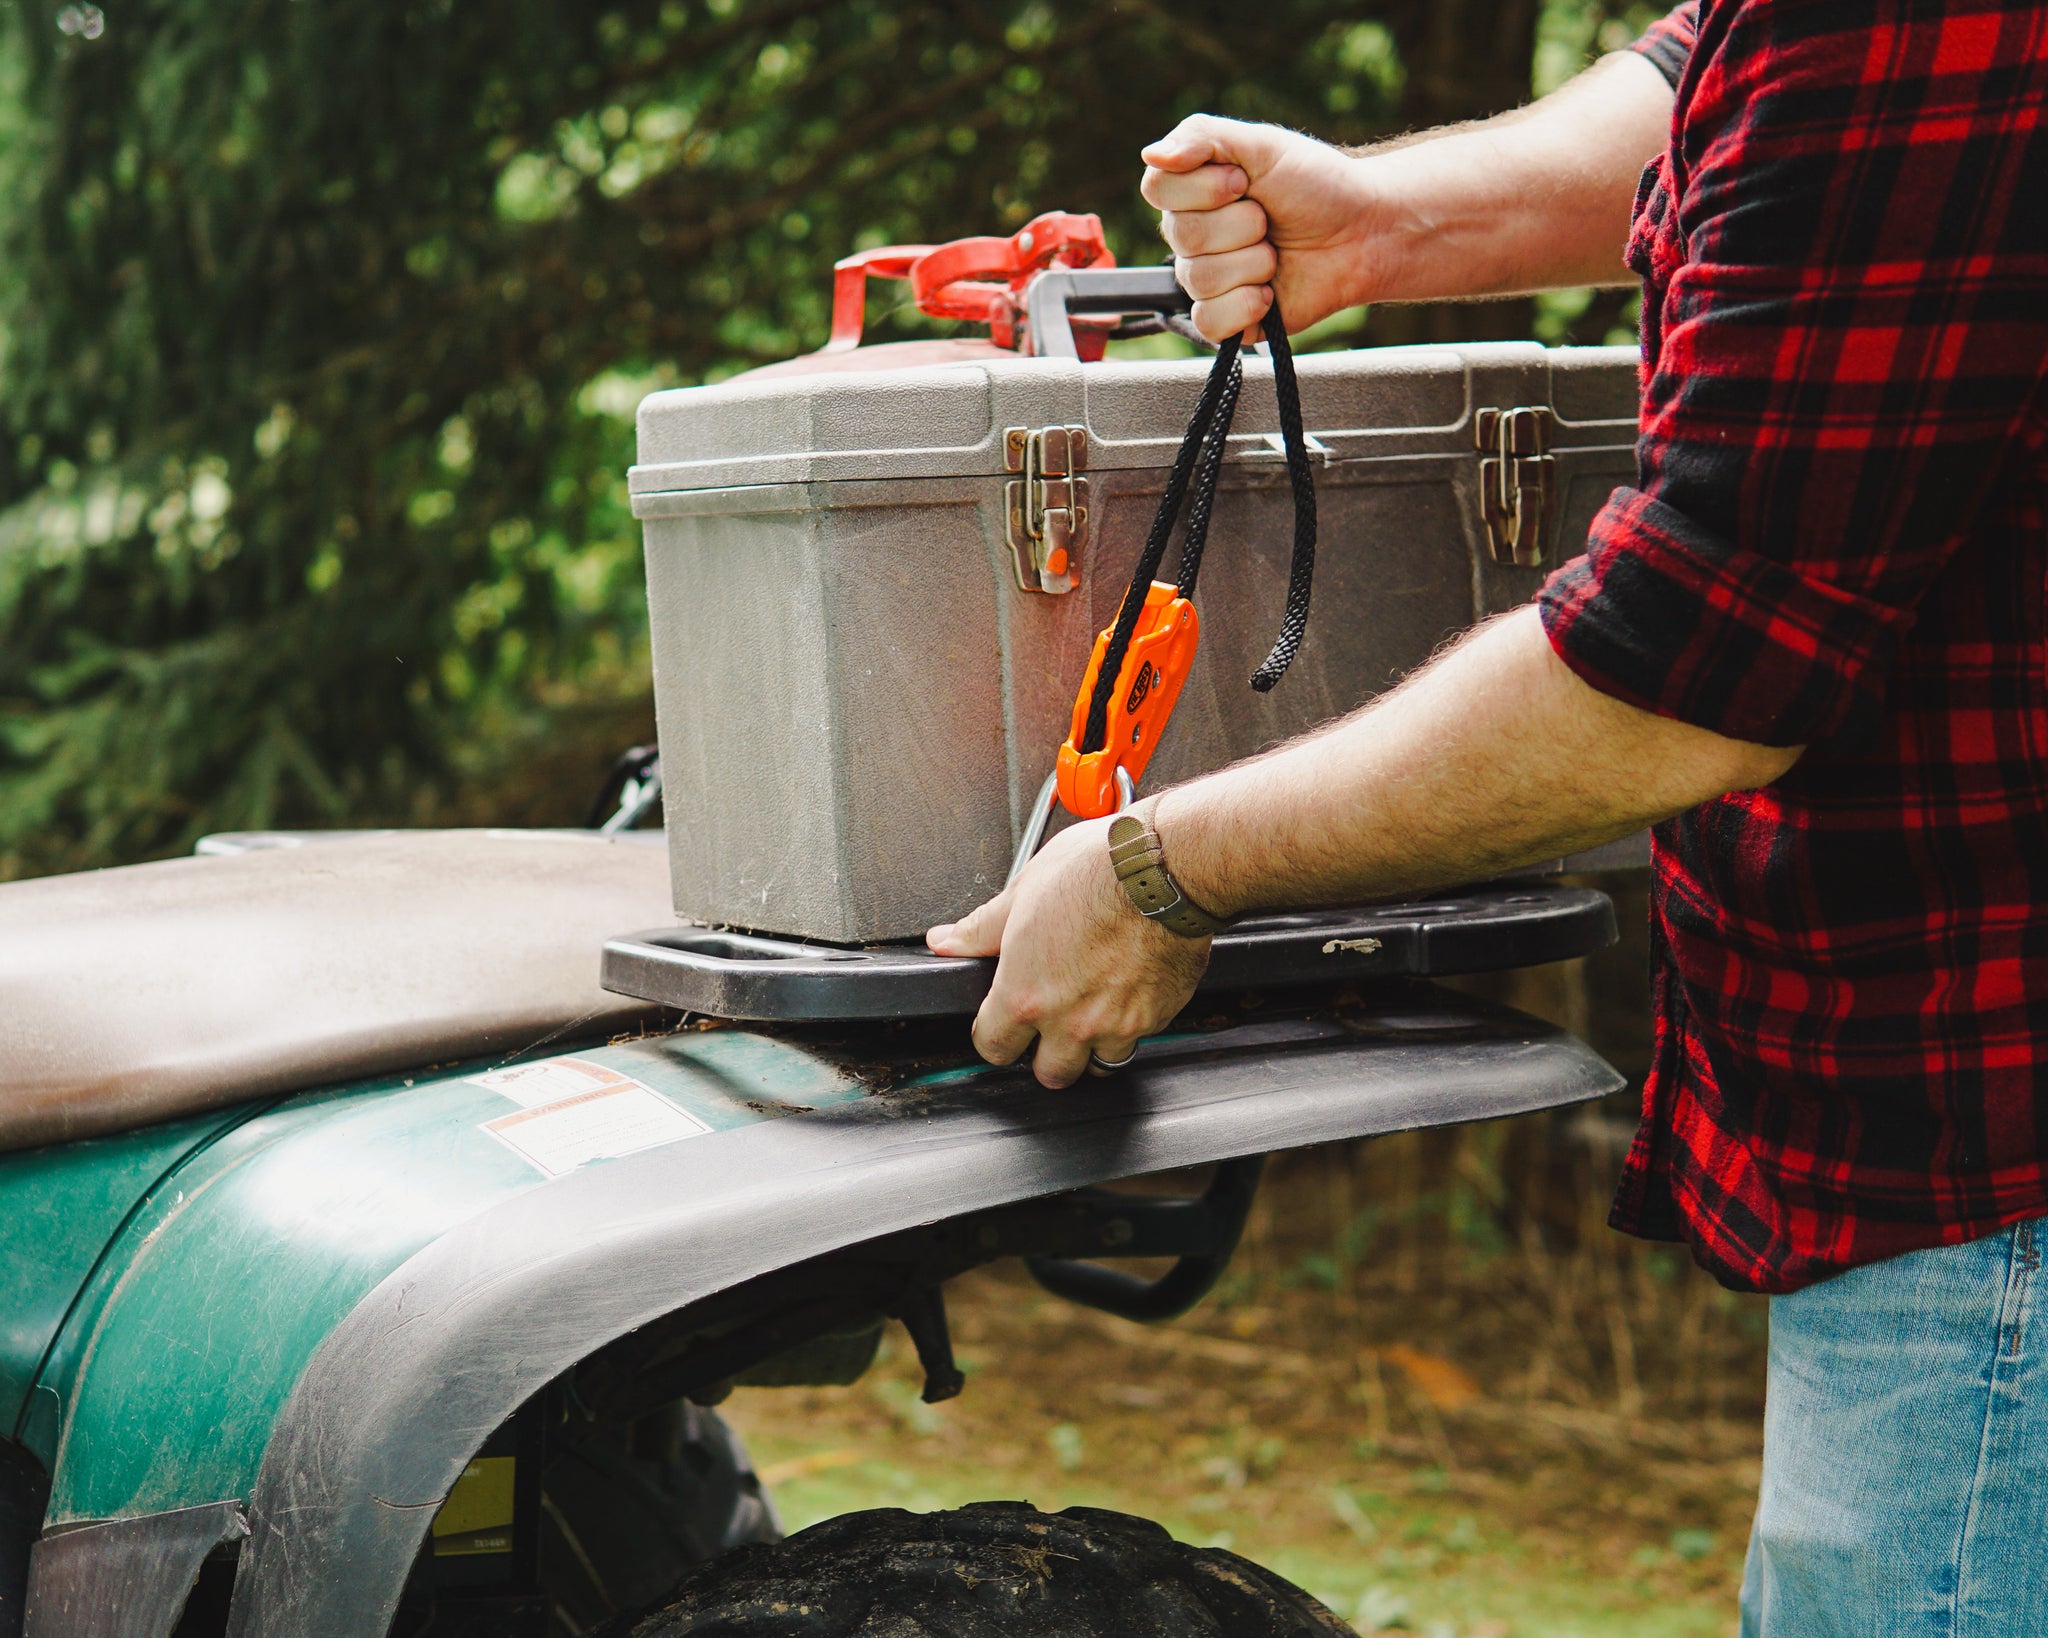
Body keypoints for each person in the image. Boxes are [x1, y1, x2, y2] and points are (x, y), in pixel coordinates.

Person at [927, 3, 2048, 1631]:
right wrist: (1382, 220)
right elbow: (1698, 80)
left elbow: (1685, 672)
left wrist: (1161, 868)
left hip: (1997, 1180)